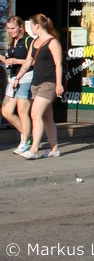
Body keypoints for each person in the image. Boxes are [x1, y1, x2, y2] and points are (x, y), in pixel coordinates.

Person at [10, 14, 63, 159]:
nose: (30, 28)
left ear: (37, 26)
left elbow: (58, 65)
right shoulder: (34, 42)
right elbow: (28, 62)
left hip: (48, 83)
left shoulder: (52, 42)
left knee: (35, 114)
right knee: (47, 116)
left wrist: (58, 84)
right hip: (36, 83)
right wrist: (18, 77)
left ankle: (33, 150)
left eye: (31, 25)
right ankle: (54, 149)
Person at [1, 16, 32, 153]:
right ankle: (28, 135)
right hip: (13, 78)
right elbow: (8, 61)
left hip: (26, 77)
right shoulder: (12, 42)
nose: (10, 31)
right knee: (6, 111)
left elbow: (33, 61)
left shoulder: (28, 40)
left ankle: (25, 141)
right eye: (8, 28)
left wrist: (16, 61)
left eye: (13, 28)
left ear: (21, 27)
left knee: (22, 111)